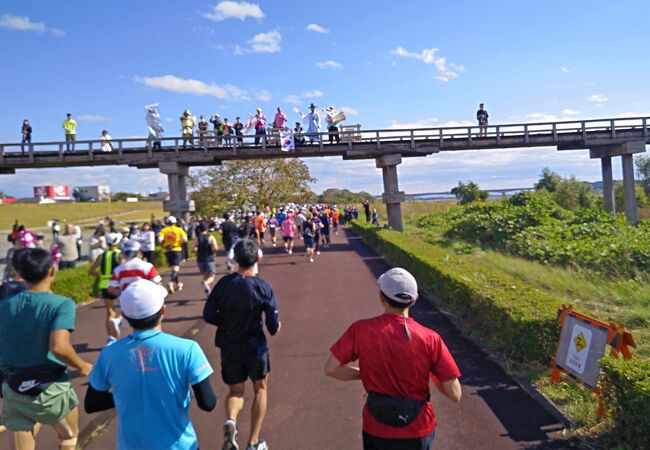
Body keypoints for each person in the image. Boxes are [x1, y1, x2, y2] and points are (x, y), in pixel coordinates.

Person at [325, 267, 462, 450]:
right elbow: (455, 394)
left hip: (377, 426)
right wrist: (430, 372)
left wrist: (363, 373)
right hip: (417, 428)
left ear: (382, 298)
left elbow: (331, 368)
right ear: (414, 300)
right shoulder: (430, 338)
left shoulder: (360, 330)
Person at [85, 279, 217, 450]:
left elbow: (92, 403)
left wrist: (128, 395)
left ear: (124, 316)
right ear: (163, 310)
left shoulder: (108, 354)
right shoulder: (188, 349)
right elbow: (208, 403)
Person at [0, 248, 93, 450]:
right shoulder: (61, 304)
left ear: (20, 274)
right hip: (51, 388)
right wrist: (83, 366)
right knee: (69, 436)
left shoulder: (4, 305)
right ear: (52, 271)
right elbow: (59, 347)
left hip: (13, 388)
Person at [203, 239, 281, 450]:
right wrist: (276, 326)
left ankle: (231, 421)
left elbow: (208, 314)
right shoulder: (263, 287)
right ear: (256, 259)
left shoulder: (223, 284)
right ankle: (253, 443)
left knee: (236, 391)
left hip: (229, 345)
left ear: (236, 260)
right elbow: (273, 326)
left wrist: (227, 323)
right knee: (260, 390)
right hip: (255, 346)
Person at [88, 233, 123, 344]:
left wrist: (102, 275)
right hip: (118, 284)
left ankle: (111, 338)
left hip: (104, 284)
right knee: (127, 308)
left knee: (110, 312)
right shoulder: (120, 255)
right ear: (117, 242)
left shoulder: (102, 255)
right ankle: (118, 321)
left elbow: (91, 271)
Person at [158, 216, 188, 293]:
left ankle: (177, 283)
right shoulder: (179, 230)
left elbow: (160, 239)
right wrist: (180, 242)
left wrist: (164, 245)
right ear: (175, 222)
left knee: (173, 268)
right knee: (176, 268)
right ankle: (171, 282)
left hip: (167, 250)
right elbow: (185, 239)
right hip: (176, 249)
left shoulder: (163, 230)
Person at [192, 223, 219, 295]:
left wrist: (196, 249)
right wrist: (214, 253)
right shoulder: (211, 237)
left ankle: (208, 291)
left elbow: (192, 249)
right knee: (212, 275)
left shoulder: (197, 238)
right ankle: (206, 283)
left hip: (200, 259)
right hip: (209, 258)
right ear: (207, 229)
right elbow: (215, 248)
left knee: (205, 275)